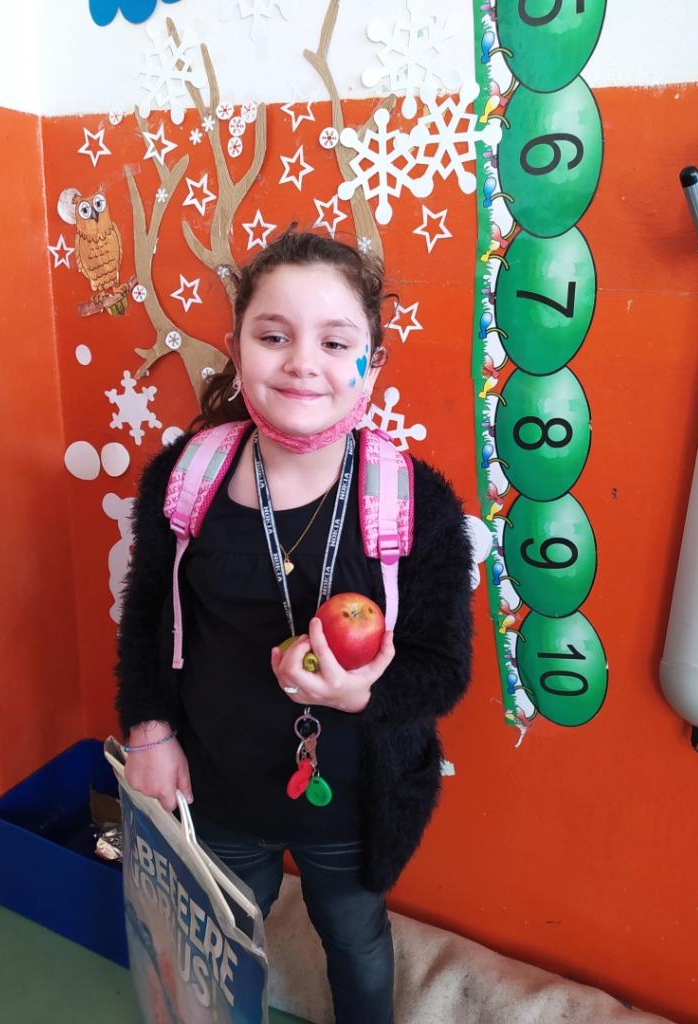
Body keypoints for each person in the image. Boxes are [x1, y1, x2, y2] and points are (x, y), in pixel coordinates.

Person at [115, 228, 474, 1024]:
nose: (302, 363)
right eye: (273, 336)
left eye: (335, 342)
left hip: (351, 798)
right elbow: (146, 616)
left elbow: (443, 668)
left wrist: (361, 695)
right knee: (221, 944)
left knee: (355, 936)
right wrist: (149, 731)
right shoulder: (184, 478)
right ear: (236, 349)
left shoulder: (415, 504)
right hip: (214, 784)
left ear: (371, 366)